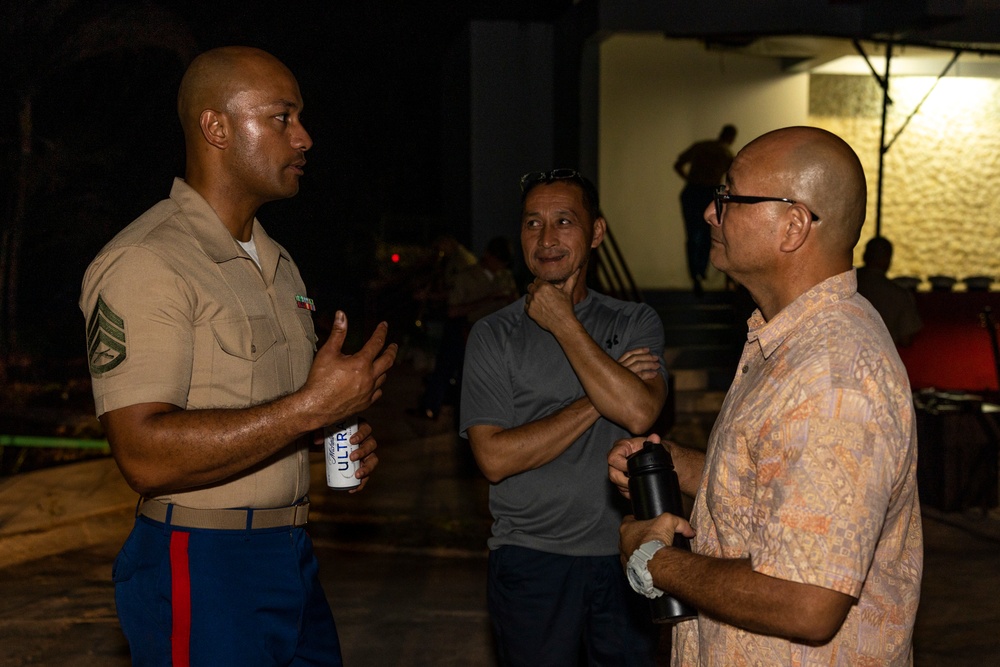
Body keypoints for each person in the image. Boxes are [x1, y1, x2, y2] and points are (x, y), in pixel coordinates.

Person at [79, 46, 398, 666]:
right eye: (282, 117)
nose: (304, 137)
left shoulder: (279, 264)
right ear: (216, 127)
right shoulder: (149, 260)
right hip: (201, 558)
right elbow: (142, 454)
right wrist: (308, 409)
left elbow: (255, 411)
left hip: (291, 553)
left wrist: (328, 434)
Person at [611, 126, 922, 665]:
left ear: (793, 226)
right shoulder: (788, 339)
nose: (711, 212)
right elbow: (781, 491)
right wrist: (673, 464)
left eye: (729, 197)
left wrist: (654, 560)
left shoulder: (833, 375)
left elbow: (805, 603)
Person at [460, 169, 669, 665]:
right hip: (530, 558)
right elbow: (493, 457)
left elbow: (639, 412)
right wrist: (609, 385)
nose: (547, 238)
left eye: (563, 222)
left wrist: (563, 324)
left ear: (596, 232)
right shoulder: (493, 335)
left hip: (626, 553)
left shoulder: (634, 320)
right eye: (533, 224)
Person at [416, 236, 519, 420]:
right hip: (465, 331)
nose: (499, 266)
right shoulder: (467, 275)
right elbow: (453, 310)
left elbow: (514, 303)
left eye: (502, 262)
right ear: (488, 256)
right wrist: (489, 299)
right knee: (449, 369)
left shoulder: (505, 276)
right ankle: (435, 408)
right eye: (497, 260)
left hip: (495, 336)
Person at [674, 124, 737, 295]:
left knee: (694, 236)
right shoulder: (725, 154)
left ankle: (697, 274)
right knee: (706, 235)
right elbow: (732, 178)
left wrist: (691, 179)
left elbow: (678, 164)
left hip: (694, 190)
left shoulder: (703, 147)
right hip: (706, 192)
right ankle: (699, 273)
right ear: (731, 138)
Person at [856, 235, 923, 346]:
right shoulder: (899, 295)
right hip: (881, 359)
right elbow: (906, 339)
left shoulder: (845, 283)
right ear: (888, 259)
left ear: (864, 255)